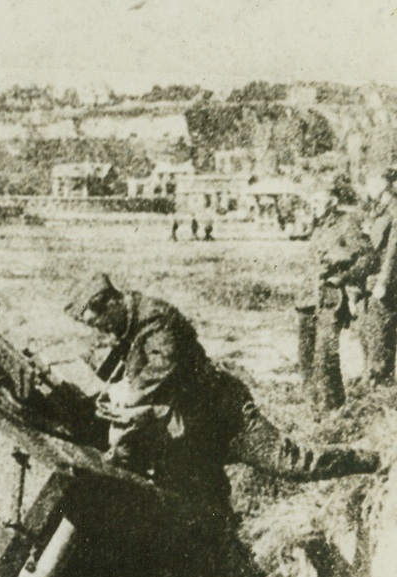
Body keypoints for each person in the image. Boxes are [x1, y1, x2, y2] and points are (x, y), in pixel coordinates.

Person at [67, 274, 380, 521]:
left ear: (110, 304)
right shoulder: (127, 323)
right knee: (204, 503)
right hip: (192, 429)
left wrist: (128, 395)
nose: (102, 331)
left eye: (99, 322)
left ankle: (372, 460)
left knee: (292, 463)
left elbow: (163, 365)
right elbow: (124, 364)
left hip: (227, 419)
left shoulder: (155, 318)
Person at [297, 178, 378, 412]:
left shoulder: (347, 224)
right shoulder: (319, 226)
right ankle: (314, 410)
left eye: (317, 201)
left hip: (331, 300)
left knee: (325, 359)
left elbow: (369, 258)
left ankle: (333, 410)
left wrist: (343, 278)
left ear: (332, 202)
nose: (312, 205)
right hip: (307, 301)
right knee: (306, 358)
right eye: (310, 201)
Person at [363, 166, 397, 384]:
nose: (369, 186)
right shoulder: (378, 208)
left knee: (381, 328)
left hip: (386, 279)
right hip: (372, 278)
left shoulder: (393, 209)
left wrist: (384, 280)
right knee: (370, 328)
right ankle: (374, 374)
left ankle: (380, 377)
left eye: (373, 182)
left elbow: (393, 248)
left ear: (384, 184)